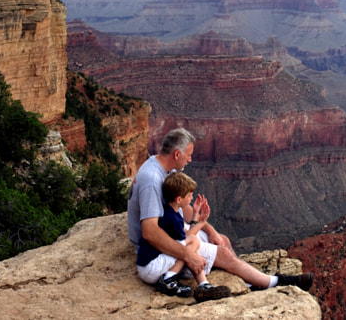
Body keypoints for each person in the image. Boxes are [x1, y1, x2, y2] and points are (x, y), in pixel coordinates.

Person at [129, 128, 312, 296]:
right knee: (222, 254)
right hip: (155, 252)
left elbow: (183, 210)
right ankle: (275, 282)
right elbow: (150, 232)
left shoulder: (165, 170)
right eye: (189, 155)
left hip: (167, 234)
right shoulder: (152, 180)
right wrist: (188, 255)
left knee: (222, 240)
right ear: (177, 154)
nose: (190, 159)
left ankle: (249, 282)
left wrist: (210, 230)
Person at [139, 172, 231, 301]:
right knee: (192, 243)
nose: (191, 198)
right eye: (189, 195)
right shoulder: (172, 218)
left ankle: (203, 284)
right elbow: (188, 237)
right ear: (178, 199)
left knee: (190, 243)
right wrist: (202, 222)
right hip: (152, 267)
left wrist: (195, 215)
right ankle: (170, 279)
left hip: (146, 266)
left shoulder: (168, 212)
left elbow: (185, 235)